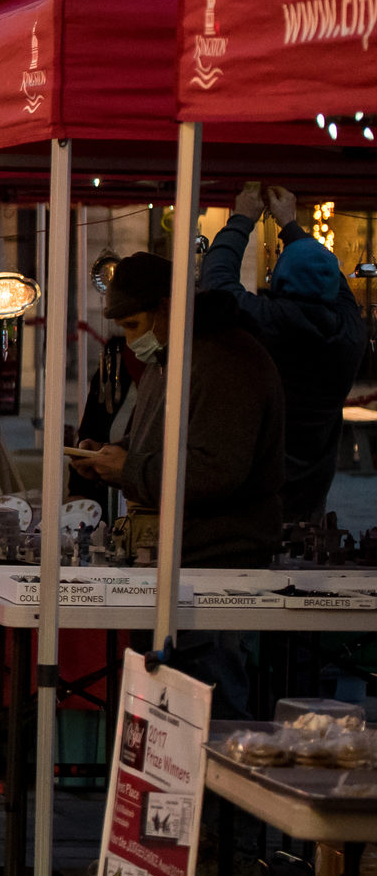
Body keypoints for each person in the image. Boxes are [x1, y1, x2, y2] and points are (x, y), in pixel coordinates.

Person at [85, 252, 286, 719]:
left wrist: (129, 470)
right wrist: (106, 457)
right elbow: (151, 443)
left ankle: (216, 795)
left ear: (166, 307)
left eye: (135, 325)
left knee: (207, 711)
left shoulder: (226, 360)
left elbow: (215, 470)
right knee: (166, 717)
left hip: (216, 568)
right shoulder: (168, 360)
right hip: (173, 560)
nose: (132, 341)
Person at [200, 183, 364, 521]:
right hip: (313, 485)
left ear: (280, 281)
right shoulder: (350, 331)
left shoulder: (266, 320)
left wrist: (243, 220)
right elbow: (332, 278)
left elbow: (217, 281)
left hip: (256, 482)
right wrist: (290, 225)